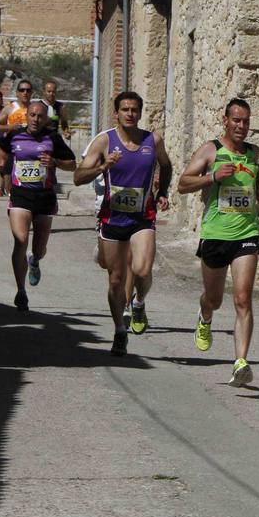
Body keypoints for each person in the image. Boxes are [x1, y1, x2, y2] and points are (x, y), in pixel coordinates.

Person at [177, 98, 259, 386]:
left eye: (246, 121)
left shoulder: (253, 153)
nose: (241, 126)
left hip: (246, 234)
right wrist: (213, 176)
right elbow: (183, 184)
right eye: (236, 120)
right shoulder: (211, 150)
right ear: (225, 120)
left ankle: (240, 362)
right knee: (214, 299)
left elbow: (255, 184)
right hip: (216, 234)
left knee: (242, 299)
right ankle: (205, 317)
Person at [74, 91, 172, 356]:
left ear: (140, 113)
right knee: (116, 280)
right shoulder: (104, 141)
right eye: (125, 109)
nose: (130, 114)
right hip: (112, 217)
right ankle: (119, 330)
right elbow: (78, 177)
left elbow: (166, 165)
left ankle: (139, 302)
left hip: (142, 216)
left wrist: (162, 191)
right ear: (116, 113)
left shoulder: (153, 140)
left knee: (142, 269)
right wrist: (102, 167)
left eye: (134, 110)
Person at [0, 100, 76, 312]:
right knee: (20, 240)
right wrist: (4, 169)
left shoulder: (53, 137)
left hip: (44, 198)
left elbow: (72, 164)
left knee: (39, 249)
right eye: (32, 115)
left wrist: (55, 162)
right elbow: (3, 151)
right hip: (20, 196)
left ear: (46, 119)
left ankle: (34, 260)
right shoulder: (15, 135)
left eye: (40, 116)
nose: (35, 119)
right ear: (27, 116)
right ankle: (21, 291)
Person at [0, 79, 35, 194]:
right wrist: (10, 127)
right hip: (13, 148)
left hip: (31, 147)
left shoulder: (35, 108)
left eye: (28, 90)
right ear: (17, 93)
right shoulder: (10, 108)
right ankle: (8, 192)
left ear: (32, 93)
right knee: (9, 181)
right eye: (22, 90)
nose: (25, 93)